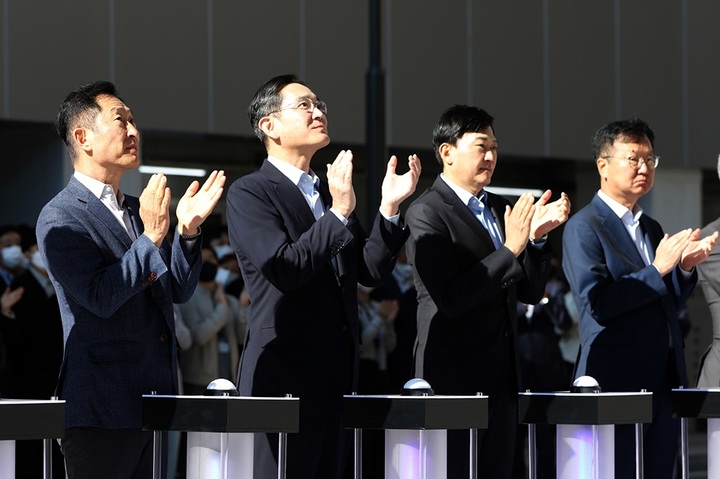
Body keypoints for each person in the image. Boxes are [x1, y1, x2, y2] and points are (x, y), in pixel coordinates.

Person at [226, 74, 421, 478]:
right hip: (281, 380)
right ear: (269, 126)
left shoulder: (324, 191)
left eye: (320, 105)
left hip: (336, 379)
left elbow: (366, 270)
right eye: (304, 105)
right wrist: (338, 213)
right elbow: (285, 267)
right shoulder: (251, 192)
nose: (318, 112)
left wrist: (388, 208)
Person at [36, 80, 225, 479]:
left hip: (154, 398)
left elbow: (175, 290)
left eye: (134, 120)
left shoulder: (139, 211)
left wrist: (188, 232)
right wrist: (153, 237)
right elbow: (100, 296)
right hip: (101, 405)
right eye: (121, 120)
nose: (134, 131)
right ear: (83, 137)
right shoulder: (61, 216)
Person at [406, 104, 570, 479]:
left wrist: (537, 241)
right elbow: (451, 298)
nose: (492, 156)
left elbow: (528, 292)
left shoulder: (499, 207)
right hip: (452, 376)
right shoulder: (427, 212)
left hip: (503, 374)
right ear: (447, 152)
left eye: (495, 147)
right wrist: (511, 247)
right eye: (481, 146)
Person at [562, 118, 717, 479]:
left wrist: (682, 271)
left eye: (650, 160)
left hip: (662, 378)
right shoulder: (584, 227)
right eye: (633, 159)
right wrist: (658, 268)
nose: (644, 168)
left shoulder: (649, 227)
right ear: (603, 165)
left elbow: (666, 304)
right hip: (614, 379)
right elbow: (597, 303)